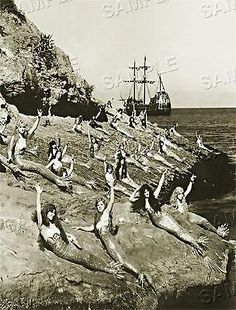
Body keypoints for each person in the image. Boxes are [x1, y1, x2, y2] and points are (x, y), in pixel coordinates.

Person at [75, 185, 154, 290]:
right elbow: (92, 228)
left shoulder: (106, 213)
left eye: (101, 205)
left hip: (108, 239)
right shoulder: (98, 217)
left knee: (121, 260)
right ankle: (140, 274)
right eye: (98, 205)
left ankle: (141, 274)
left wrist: (111, 187)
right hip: (106, 241)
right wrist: (81, 227)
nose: (99, 206)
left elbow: (111, 201)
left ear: (104, 205)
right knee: (120, 260)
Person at [33, 185, 122, 277]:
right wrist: (38, 195)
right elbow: (39, 212)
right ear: (46, 212)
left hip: (68, 246)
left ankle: (107, 266)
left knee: (87, 254)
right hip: (63, 252)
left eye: (54, 212)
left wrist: (69, 236)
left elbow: (61, 234)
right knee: (85, 258)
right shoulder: (42, 226)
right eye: (50, 212)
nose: (53, 214)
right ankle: (109, 270)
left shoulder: (53, 224)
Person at [130, 170, 208, 255]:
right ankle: (197, 246)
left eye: (147, 191)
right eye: (144, 192)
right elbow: (131, 199)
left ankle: (195, 243)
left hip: (165, 215)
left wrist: (163, 175)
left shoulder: (154, 196)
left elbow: (160, 185)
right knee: (177, 232)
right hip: (159, 221)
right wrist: (137, 190)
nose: (146, 193)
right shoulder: (143, 202)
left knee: (180, 229)